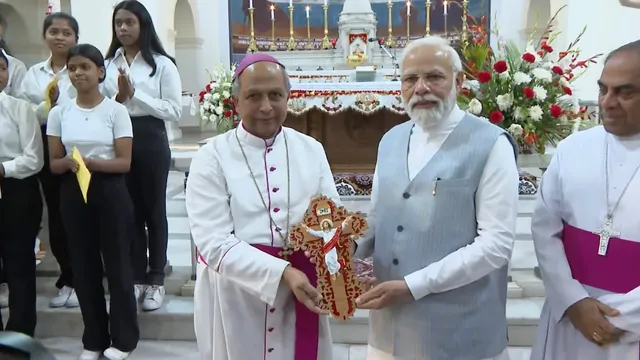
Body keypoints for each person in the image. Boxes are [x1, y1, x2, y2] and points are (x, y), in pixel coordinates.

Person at [353, 36, 519, 359]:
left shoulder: (491, 144)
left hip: (460, 330)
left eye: (434, 77)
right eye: (411, 79)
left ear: (459, 81)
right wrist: (346, 245)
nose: (421, 88)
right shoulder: (390, 140)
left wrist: (413, 285)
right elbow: (378, 217)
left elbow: (496, 245)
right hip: (389, 329)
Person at [186, 53, 339, 360]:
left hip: (303, 288)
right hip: (235, 292)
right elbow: (214, 243)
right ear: (236, 101)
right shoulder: (211, 156)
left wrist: (330, 271)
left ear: (288, 97)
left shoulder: (310, 149)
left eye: (275, 95)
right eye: (253, 96)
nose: (266, 107)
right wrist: (283, 272)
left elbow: (330, 221)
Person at [530, 40, 640, 360]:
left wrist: (624, 317)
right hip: (569, 317)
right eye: (603, 89)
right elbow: (544, 228)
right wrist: (573, 301)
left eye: (625, 92)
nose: (607, 102)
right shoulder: (573, 148)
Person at [46, 44, 138, 360]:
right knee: (84, 268)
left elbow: (125, 162)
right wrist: (70, 164)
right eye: (72, 68)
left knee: (118, 268)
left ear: (100, 72)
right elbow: (54, 163)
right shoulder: (60, 112)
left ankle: (124, 340)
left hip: (110, 191)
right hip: (73, 190)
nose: (77, 73)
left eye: (85, 67)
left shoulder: (116, 111)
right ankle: (94, 339)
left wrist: (92, 162)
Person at [102, 0, 182, 311]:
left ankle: (156, 279)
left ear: (142, 25)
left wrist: (137, 96)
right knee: (128, 211)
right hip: (118, 138)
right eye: (118, 23)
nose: (122, 28)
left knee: (153, 211)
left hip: (150, 138)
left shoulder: (161, 64)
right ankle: (135, 276)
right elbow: (103, 104)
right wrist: (119, 98)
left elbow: (173, 110)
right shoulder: (108, 64)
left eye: (129, 23)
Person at [19, 12, 79, 309]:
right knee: (57, 217)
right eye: (54, 32)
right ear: (45, 36)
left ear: (75, 38)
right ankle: (68, 279)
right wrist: (48, 105)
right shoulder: (34, 74)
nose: (60, 37)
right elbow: (26, 113)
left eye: (66, 33)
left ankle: (88, 277)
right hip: (49, 150)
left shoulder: (83, 67)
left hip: (82, 149)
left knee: (84, 218)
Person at [0, 50, 43, 337]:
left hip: (17, 192)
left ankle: (19, 335)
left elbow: (34, 158)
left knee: (18, 266)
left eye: (2, 68)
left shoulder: (19, 108)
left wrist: (3, 169)